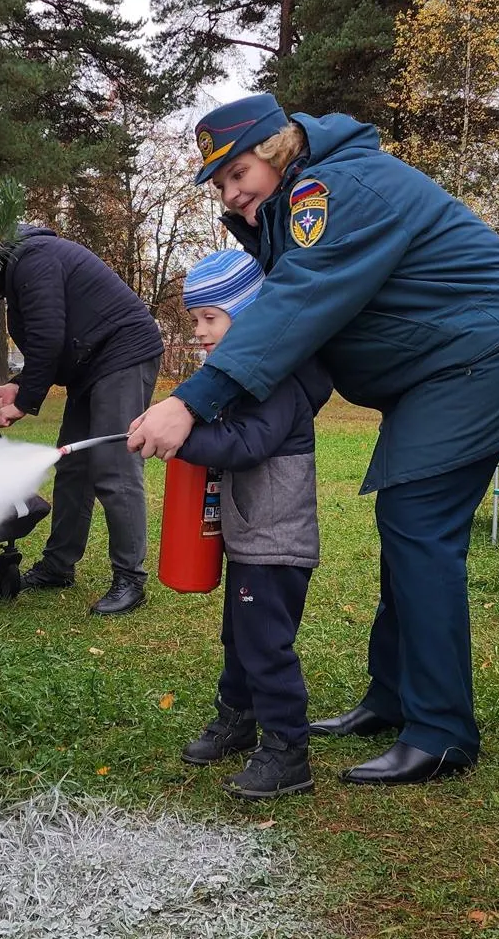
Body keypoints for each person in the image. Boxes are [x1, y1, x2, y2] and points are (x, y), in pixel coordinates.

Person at [128, 92, 499, 787]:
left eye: (238, 173)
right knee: (408, 520)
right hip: (447, 360)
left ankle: (441, 732)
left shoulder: (332, 191)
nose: (230, 193)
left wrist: (192, 402)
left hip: (488, 351)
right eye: (219, 185)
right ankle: (393, 696)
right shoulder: (302, 197)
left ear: (276, 150)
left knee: (418, 519)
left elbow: (296, 300)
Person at [171, 249, 332, 800]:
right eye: (195, 319)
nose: (198, 330)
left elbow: (247, 444)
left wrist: (183, 438)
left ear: (249, 318)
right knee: (239, 637)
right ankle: (237, 719)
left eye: (209, 318)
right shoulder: (241, 380)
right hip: (250, 539)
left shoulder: (277, 380)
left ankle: (288, 752)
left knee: (266, 645)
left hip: (276, 543)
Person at [0, 226, 165, 615]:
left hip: (122, 355)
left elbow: (48, 337)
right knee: (72, 464)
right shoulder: (22, 270)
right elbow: (52, 346)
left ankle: (130, 580)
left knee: (114, 466)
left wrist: (24, 403)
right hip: (91, 367)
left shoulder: (33, 259)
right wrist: (19, 386)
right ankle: (58, 566)